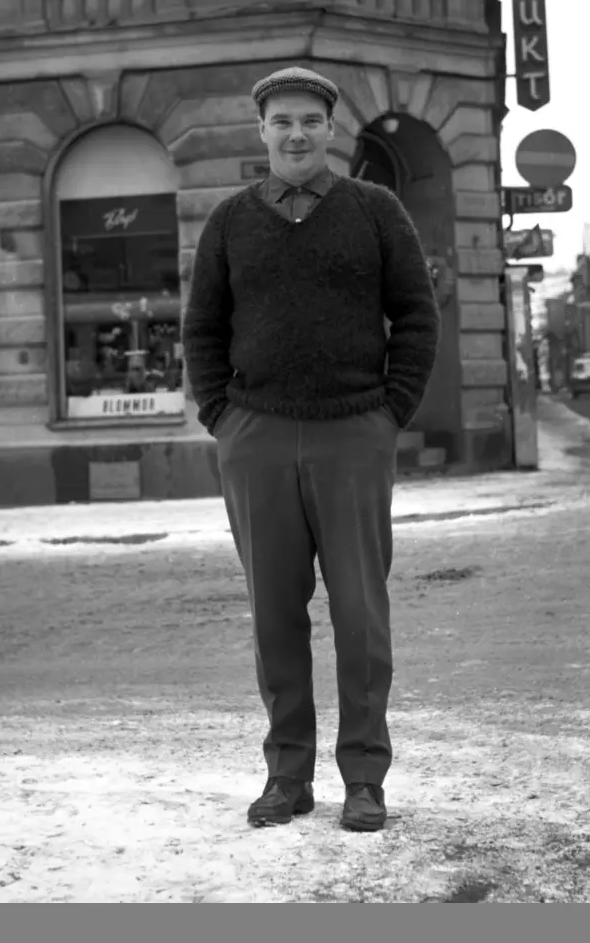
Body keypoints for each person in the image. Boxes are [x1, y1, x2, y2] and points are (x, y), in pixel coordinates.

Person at [182, 66, 440, 832]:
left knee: (361, 614)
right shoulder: (230, 221)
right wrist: (221, 416)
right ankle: (285, 776)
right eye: (280, 121)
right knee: (274, 617)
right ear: (260, 131)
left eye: (309, 121)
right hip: (255, 436)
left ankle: (364, 777)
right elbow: (202, 327)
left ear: (332, 130)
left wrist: (390, 410)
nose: (295, 134)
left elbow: (416, 316)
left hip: (353, 431)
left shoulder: (375, 211)